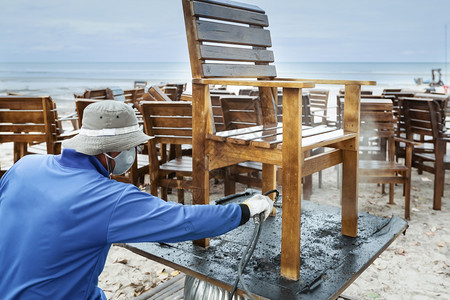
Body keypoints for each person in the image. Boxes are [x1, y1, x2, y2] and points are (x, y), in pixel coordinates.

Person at [0, 100, 273, 299]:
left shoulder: (23, 167)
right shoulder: (107, 199)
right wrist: (246, 209)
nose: (134, 153)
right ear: (112, 152)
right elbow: (184, 221)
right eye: (133, 147)